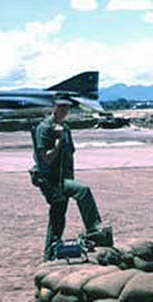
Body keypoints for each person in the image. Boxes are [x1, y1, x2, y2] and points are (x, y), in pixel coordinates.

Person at [31, 99, 111, 260]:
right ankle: (93, 228)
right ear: (53, 107)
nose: (63, 110)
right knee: (82, 191)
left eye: (66, 108)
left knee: (57, 217)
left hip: (64, 177)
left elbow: (70, 154)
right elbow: (46, 158)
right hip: (51, 181)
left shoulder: (65, 128)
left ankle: (49, 255)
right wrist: (59, 140)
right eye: (60, 107)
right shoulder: (44, 128)